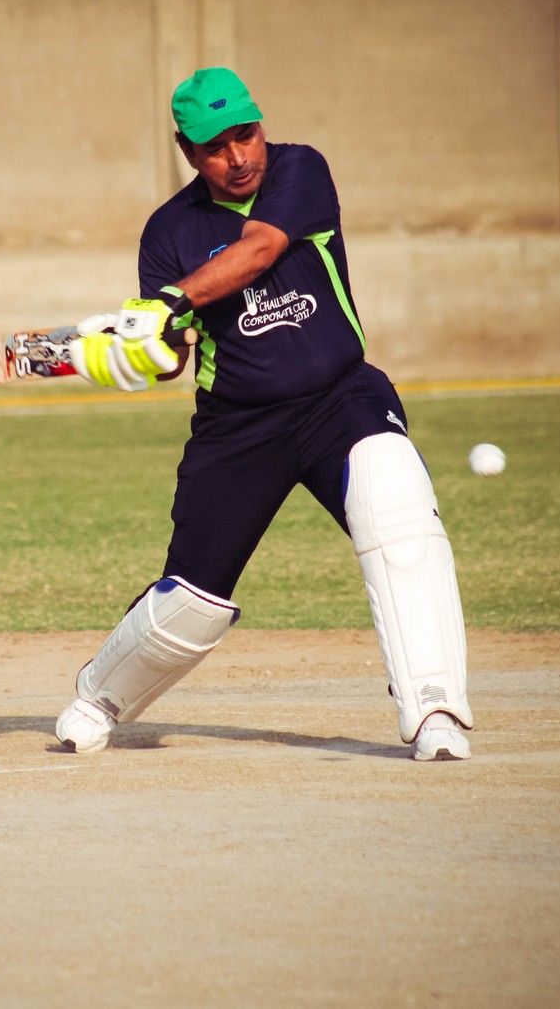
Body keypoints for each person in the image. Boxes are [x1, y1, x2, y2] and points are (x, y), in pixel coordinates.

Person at [57, 68, 473, 760]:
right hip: (239, 425)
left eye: (245, 135)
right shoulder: (168, 230)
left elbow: (259, 251)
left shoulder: (299, 170)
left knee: (395, 503)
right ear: (187, 151)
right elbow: (174, 354)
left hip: (340, 397)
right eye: (215, 147)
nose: (238, 156)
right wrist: (133, 353)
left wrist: (169, 302)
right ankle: (99, 694)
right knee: (192, 599)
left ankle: (434, 709)